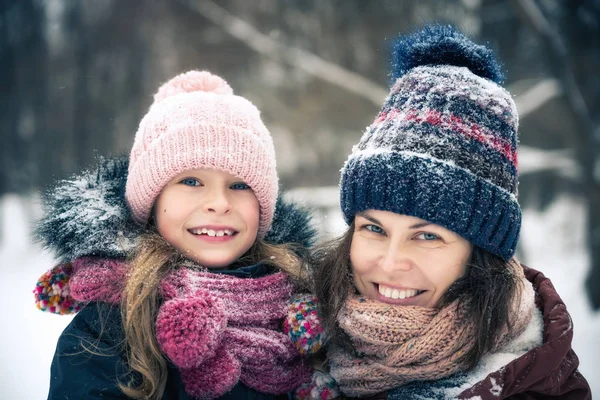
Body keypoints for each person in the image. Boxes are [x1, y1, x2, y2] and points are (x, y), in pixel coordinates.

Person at [287, 25, 592, 399]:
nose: (391, 262)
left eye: (427, 235)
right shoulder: (294, 349)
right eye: (374, 229)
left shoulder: (528, 385)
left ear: (482, 254)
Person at [33, 70, 316, 399]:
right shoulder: (106, 330)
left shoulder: (304, 312)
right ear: (153, 202)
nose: (219, 203)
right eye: (192, 182)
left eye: (239, 185)